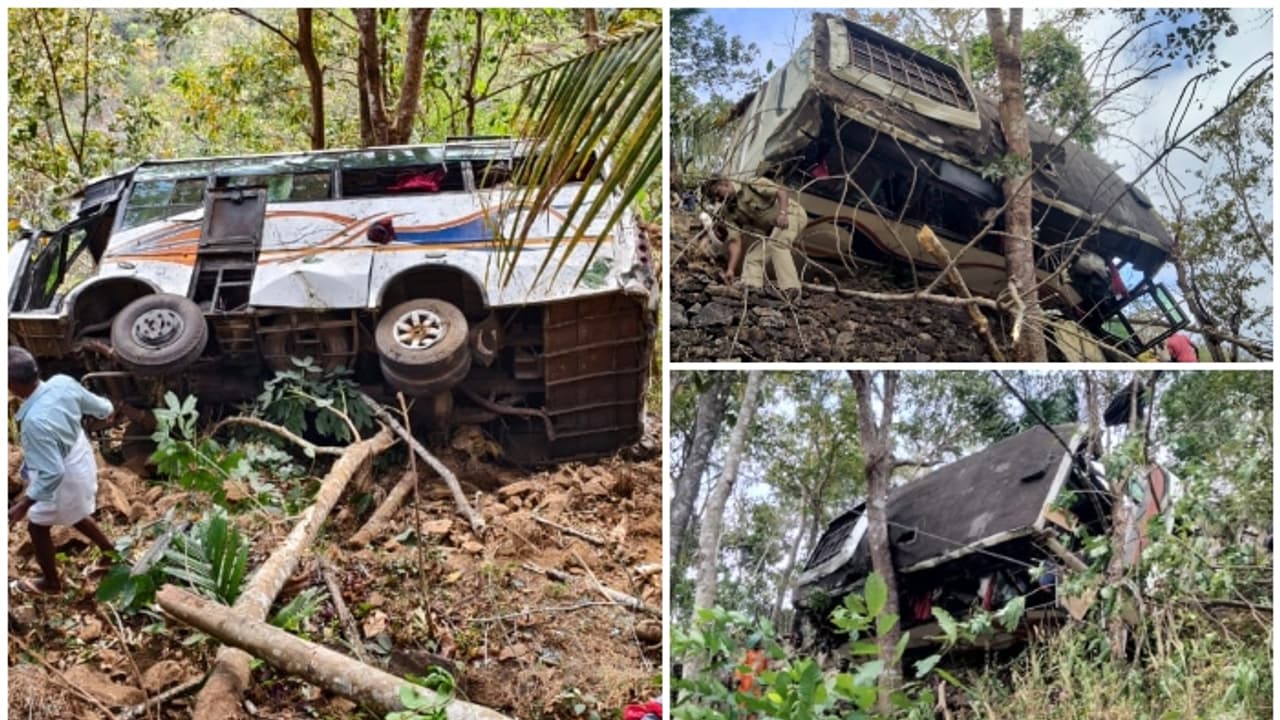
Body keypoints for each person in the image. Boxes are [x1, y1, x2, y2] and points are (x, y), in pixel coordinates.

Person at [8, 346, 118, 595]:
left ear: (13, 383)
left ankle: (51, 583)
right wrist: (107, 413)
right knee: (75, 511)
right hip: (79, 455)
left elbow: (52, 473)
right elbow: (102, 407)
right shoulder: (62, 383)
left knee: (37, 526)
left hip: (63, 472)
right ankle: (110, 551)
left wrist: (23, 505)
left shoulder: (34, 423)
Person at [706, 176, 806, 299]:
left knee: (777, 244)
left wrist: (783, 213)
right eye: (713, 198)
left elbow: (781, 191)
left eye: (717, 193)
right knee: (753, 257)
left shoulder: (751, 183)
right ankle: (751, 290)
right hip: (774, 230)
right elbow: (735, 241)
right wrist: (730, 269)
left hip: (791, 214)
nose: (717, 199)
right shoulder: (728, 211)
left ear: (724, 183)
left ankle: (791, 289)